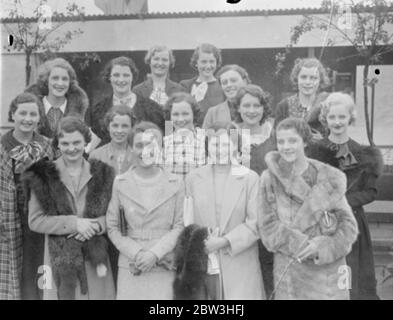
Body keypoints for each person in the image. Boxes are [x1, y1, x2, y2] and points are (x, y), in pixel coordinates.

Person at [259, 117, 358, 300]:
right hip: (291, 273)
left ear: (305, 141)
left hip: (327, 274)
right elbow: (268, 228)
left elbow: (348, 227)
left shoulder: (330, 178)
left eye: (292, 140)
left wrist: (323, 246)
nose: (286, 146)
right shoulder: (269, 179)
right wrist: (304, 245)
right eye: (281, 141)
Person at [24, 116, 116, 300]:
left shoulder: (103, 173)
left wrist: (96, 226)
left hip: (95, 259)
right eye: (65, 143)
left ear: (86, 142)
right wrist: (74, 224)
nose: (71, 148)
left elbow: (114, 216)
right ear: (58, 144)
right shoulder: (43, 175)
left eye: (77, 142)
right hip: (60, 260)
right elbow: (35, 221)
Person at [311, 92, 384, 300]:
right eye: (332, 117)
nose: (337, 122)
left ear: (350, 118)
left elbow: (371, 192)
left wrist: (342, 203)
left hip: (353, 223)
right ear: (326, 118)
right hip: (322, 223)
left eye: (342, 117)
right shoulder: (314, 151)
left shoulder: (363, 153)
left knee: (353, 277)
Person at [185, 122, 265, 300]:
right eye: (215, 144)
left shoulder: (250, 178)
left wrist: (223, 241)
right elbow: (187, 220)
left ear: (236, 148)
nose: (220, 150)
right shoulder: (193, 178)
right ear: (207, 146)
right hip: (204, 260)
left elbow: (255, 222)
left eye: (226, 144)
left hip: (239, 261)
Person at [106, 122, 184, 300]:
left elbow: (180, 225)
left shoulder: (176, 182)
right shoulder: (120, 182)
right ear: (131, 149)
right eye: (139, 145)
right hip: (132, 264)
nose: (145, 151)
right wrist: (138, 253)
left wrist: (154, 254)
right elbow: (112, 227)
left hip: (164, 263)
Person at [0, 93, 53, 300]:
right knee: (13, 272)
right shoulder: (3, 146)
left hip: (39, 220)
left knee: (38, 270)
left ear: (40, 117)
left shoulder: (47, 146)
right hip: (9, 219)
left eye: (33, 114)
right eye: (23, 113)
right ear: (13, 114)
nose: (28, 119)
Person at [233, 84, 276, 298]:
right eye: (246, 105)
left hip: (270, 209)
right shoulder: (230, 134)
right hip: (239, 211)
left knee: (269, 266)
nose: (251, 110)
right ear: (238, 108)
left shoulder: (274, 134)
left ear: (263, 108)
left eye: (256, 105)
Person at [88, 104, 135, 287]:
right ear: (108, 126)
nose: (119, 130)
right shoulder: (96, 155)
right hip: (107, 224)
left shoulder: (138, 154)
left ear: (131, 127)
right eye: (115, 125)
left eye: (125, 126)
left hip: (133, 225)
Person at [85, 56, 165, 148]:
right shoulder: (98, 110)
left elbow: (166, 134)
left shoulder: (151, 108)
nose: (121, 80)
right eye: (116, 75)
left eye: (126, 75)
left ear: (132, 77)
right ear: (109, 77)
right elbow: (93, 143)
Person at [25, 58, 89, 140]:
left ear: (70, 83)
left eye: (65, 79)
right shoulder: (31, 107)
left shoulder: (79, 109)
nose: (60, 83)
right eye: (55, 78)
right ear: (46, 81)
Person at [274, 58, 330, 138]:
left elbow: (336, 139)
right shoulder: (283, 106)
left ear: (320, 80)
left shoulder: (326, 105)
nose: (308, 82)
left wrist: (322, 141)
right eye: (303, 77)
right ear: (297, 78)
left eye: (313, 78)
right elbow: (275, 138)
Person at [180, 44, 225, 126]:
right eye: (204, 62)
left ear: (217, 62)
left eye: (212, 61)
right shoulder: (186, 85)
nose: (208, 66)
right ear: (196, 63)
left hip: (219, 134)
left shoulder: (223, 84)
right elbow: (181, 116)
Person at [163, 92, 206, 177]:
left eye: (185, 114)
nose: (180, 119)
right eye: (175, 114)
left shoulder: (205, 140)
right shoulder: (164, 143)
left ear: (194, 114)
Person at [202, 64, 250, 129]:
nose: (229, 85)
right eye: (224, 82)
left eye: (233, 80)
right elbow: (204, 138)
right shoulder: (213, 112)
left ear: (244, 82)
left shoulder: (258, 108)